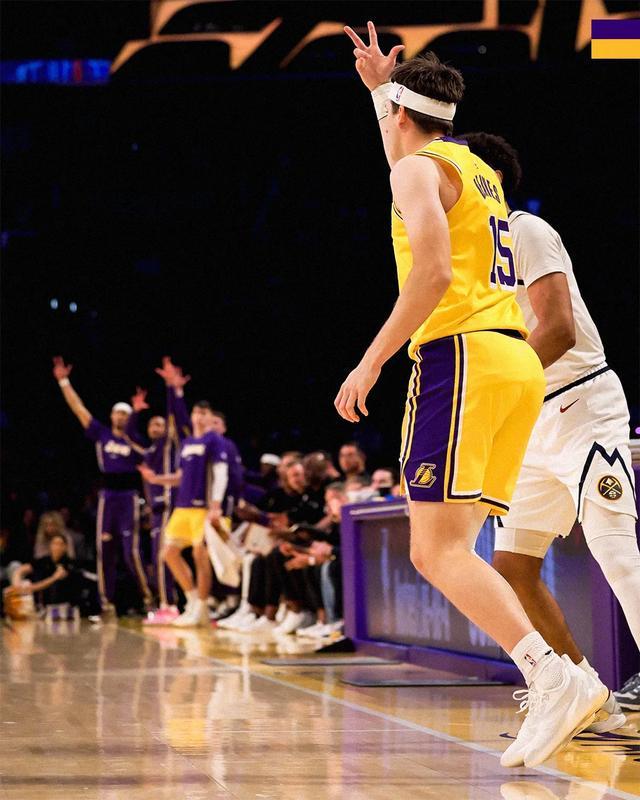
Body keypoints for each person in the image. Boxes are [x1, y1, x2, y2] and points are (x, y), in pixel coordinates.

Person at [337, 22, 606, 768]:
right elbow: (405, 156)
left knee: (436, 550)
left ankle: (553, 676)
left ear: (403, 116)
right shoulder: (472, 168)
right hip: (512, 362)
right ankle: (562, 676)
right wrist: (382, 94)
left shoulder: (416, 171)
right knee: (452, 547)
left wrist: (369, 362)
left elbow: (430, 274)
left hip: (461, 357)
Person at [463, 132, 639, 724]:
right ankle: (590, 698)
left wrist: (497, 392)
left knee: (615, 552)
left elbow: (559, 328)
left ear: (485, 177)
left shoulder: (524, 231)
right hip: (528, 419)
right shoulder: (467, 259)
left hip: (580, 402)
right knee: (513, 568)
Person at [52, 356, 152, 613]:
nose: (120, 416)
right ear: (111, 415)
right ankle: (107, 603)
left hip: (129, 497)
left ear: (130, 418)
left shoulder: (136, 440)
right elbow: (79, 409)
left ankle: (149, 599)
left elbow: (147, 470)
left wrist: (149, 503)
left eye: (125, 414)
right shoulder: (101, 433)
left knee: (131, 551)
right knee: (104, 548)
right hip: (108, 497)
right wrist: (64, 382)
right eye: (117, 412)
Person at [139, 400, 229, 627]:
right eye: (196, 412)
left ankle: (203, 607)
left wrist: (216, 505)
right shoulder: (188, 443)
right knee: (168, 553)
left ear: (210, 417)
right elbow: (181, 476)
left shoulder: (214, 440)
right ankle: (192, 600)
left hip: (203, 507)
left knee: (200, 554)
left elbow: (221, 473)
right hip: (182, 507)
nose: (199, 416)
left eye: (204, 412)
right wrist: (157, 479)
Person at [126, 360, 192, 621]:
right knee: (159, 556)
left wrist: (170, 388)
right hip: (156, 510)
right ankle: (169, 602)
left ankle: (170, 604)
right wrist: (134, 412)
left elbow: (174, 417)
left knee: (166, 555)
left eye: (160, 425)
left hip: (169, 504)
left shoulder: (168, 445)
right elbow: (128, 437)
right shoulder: (149, 451)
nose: (157, 428)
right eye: (152, 425)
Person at [5, 533, 81, 608]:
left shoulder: (68, 565)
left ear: (65, 547)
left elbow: (45, 585)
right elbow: (21, 570)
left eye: (60, 544)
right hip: (40, 603)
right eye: (55, 544)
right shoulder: (44, 561)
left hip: (62, 605)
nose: (57, 547)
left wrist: (27, 589)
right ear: (50, 545)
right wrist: (16, 586)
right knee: (14, 568)